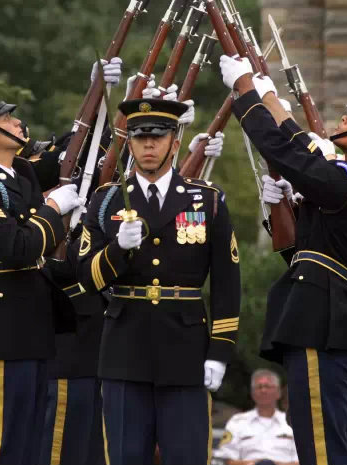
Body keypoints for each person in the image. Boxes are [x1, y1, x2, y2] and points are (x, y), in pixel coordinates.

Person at [219, 54, 347, 465]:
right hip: (335, 320)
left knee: (322, 444)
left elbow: (286, 154)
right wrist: (271, 100)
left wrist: (246, 94)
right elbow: (315, 245)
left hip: (320, 320)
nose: (342, 121)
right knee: (335, 440)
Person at [77, 97, 241, 465]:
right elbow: (87, 279)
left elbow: (228, 286)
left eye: (157, 137)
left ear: (175, 142)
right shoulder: (107, 200)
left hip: (185, 350)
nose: (148, 145)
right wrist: (118, 249)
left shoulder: (207, 200)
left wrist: (219, 352)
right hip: (124, 349)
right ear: (129, 142)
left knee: (187, 456)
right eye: (139, 138)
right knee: (125, 456)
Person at [0, 78, 97, 465]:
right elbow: (18, 247)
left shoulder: (22, 176)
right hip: (0, 333)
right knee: (0, 446)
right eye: (7, 119)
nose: (17, 123)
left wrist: (105, 99)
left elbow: (73, 153)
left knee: (30, 449)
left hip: (34, 330)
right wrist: (53, 210)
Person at [214, 369, 299, 465]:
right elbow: (228, 460)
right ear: (252, 393)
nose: (263, 390)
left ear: (279, 392)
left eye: (268, 386)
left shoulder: (292, 421)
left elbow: (303, 460)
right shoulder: (237, 422)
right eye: (259, 387)